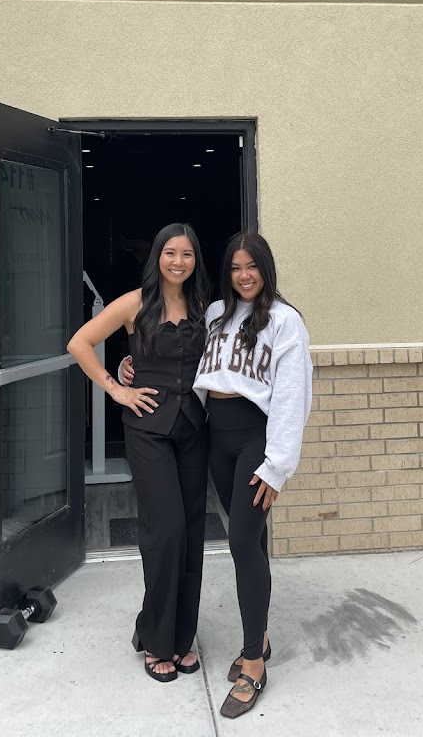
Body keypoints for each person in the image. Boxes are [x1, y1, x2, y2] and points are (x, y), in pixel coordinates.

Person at [123, 231, 312, 717]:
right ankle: (260, 637)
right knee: (251, 541)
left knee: (242, 542)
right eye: (235, 267)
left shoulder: (285, 321)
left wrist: (277, 464)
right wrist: (131, 364)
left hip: (255, 441)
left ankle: (253, 664)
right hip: (215, 438)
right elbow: (182, 361)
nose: (244, 275)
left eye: (252, 266)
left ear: (266, 269)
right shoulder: (214, 315)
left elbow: (293, 396)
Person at [67, 223, 210, 683]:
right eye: (170, 253)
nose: (178, 262)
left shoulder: (204, 306)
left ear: (195, 260)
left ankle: (182, 638)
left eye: (187, 254)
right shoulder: (135, 303)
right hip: (148, 429)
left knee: (191, 533)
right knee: (165, 531)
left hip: (193, 428)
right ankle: (154, 637)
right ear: (157, 257)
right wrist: (117, 388)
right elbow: (79, 343)